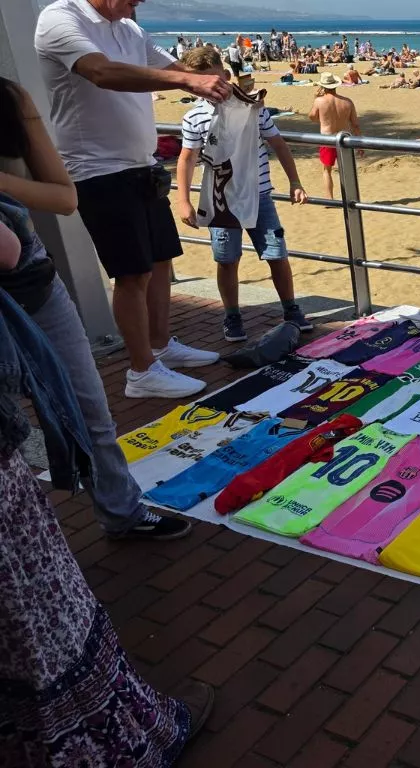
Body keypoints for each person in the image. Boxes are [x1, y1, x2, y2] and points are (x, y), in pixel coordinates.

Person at [0, 207, 215, 765]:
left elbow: (57, 196)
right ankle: (114, 743)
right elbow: (9, 246)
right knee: (37, 612)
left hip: (34, 287)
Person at [0, 77, 193, 540]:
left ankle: (122, 512)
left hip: (36, 284)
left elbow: (65, 198)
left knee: (92, 410)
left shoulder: (9, 99)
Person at [35, 0, 232, 400]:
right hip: (98, 170)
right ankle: (141, 372)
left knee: (160, 261)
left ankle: (160, 346)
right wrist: (188, 82)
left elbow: (175, 70)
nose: (137, 3)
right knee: (131, 274)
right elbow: (101, 72)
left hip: (143, 165)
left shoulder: (129, 29)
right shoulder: (60, 17)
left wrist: (219, 83)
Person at [174, 48, 312, 343]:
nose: (209, 87)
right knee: (227, 260)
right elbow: (187, 158)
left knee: (277, 254)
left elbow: (278, 143)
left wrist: (295, 181)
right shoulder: (193, 117)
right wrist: (183, 200)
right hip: (220, 200)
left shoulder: (254, 108)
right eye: (200, 82)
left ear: (225, 76)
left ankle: (291, 309)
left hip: (260, 196)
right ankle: (232, 315)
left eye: (213, 79)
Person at [308, 72, 363, 200]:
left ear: (323, 86)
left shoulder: (319, 101)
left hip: (328, 138)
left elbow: (312, 117)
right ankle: (350, 198)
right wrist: (360, 143)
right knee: (347, 170)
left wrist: (316, 99)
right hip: (345, 139)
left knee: (327, 170)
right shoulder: (347, 102)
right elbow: (355, 125)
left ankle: (329, 198)